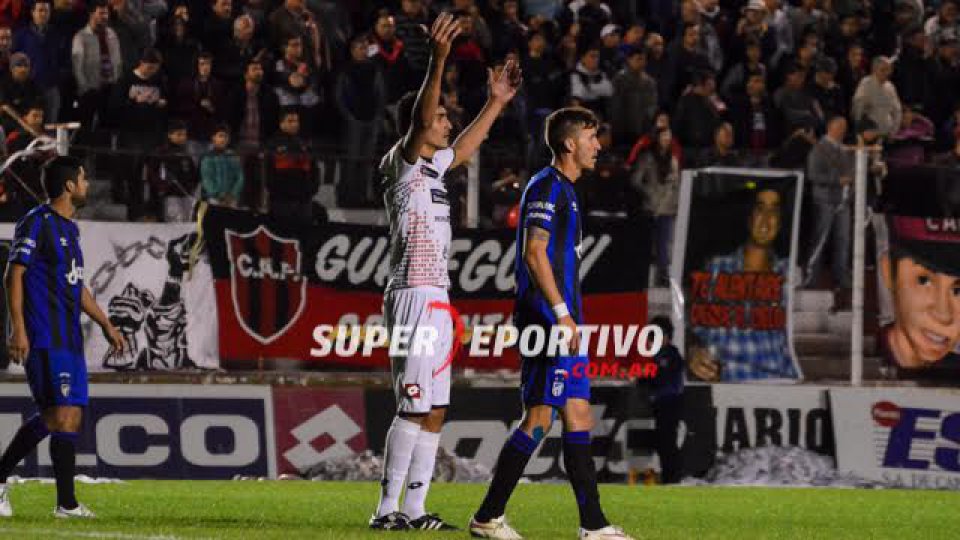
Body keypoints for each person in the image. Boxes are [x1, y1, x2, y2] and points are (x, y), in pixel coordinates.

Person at [370, 13, 520, 531]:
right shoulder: (404, 161)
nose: (446, 124)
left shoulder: (433, 168)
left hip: (438, 295)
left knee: (435, 410)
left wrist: (496, 103)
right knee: (413, 407)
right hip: (411, 292)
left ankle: (414, 509)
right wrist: (437, 59)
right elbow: (422, 121)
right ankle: (385, 510)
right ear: (418, 124)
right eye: (439, 119)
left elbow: (468, 144)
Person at [470, 107, 633, 540]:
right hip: (547, 318)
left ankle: (588, 524)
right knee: (542, 417)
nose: (597, 145)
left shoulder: (567, 190)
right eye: (590, 136)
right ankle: (494, 518)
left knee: (569, 414)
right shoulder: (547, 186)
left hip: (563, 319)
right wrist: (560, 313)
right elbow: (534, 252)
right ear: (568, 144)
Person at [0, 156, 124, 518]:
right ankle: (66, 504)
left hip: (69, 337)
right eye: (83, 179)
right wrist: (17, 327)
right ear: (69, 186)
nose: (87, 185)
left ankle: (57, 500)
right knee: (62, 416)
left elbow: (76, 284)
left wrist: (105, 323)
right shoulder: (36, 222)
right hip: (43, 334)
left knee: (62, 418)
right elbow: (14, 274)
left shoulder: (71, 229)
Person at [687, 187, 798, 381]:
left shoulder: (788, 273)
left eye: (774, 211)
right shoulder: (716, 268)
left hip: (778, 388)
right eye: (760, 209)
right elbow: (692, 329)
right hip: (729, 387)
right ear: (748, 217)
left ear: (781, 222)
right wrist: (693, 352)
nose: (766, 218)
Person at [877, 215, 960, 373]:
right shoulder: (856, 355)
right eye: (923, 281)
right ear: (889, 272)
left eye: (958, 291)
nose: (943, 315)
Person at [805, 116, 853, 308]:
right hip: (824, 200)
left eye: (845, 127)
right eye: (839, 126)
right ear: (831, 127)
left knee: (843, 241)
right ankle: (811, 277)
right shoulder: (819, 148)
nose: (842, 130)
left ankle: (841, 277)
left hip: (843, 202)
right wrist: (837, 180)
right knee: (820, 239)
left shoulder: (846, 150)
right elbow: (813, 175)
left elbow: (851, 174)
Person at [646, 315, 684, 484]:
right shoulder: (655, 357)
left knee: (667, 442)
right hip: (660, 404)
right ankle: (668, 477)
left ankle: (672, 478)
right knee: (662, 443)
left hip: (670, 403)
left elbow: (665, 379)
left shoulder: (671, 356)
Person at [200, 124, 244, 207]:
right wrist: (219, 195)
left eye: (226, 137)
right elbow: (207, 180)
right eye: (220, 136)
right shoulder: (208, 158)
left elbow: (240, 177)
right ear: (213, 138)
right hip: (214, 200)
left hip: (232, 199)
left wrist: (232, 194)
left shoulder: (233, 156)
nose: (223, 139)